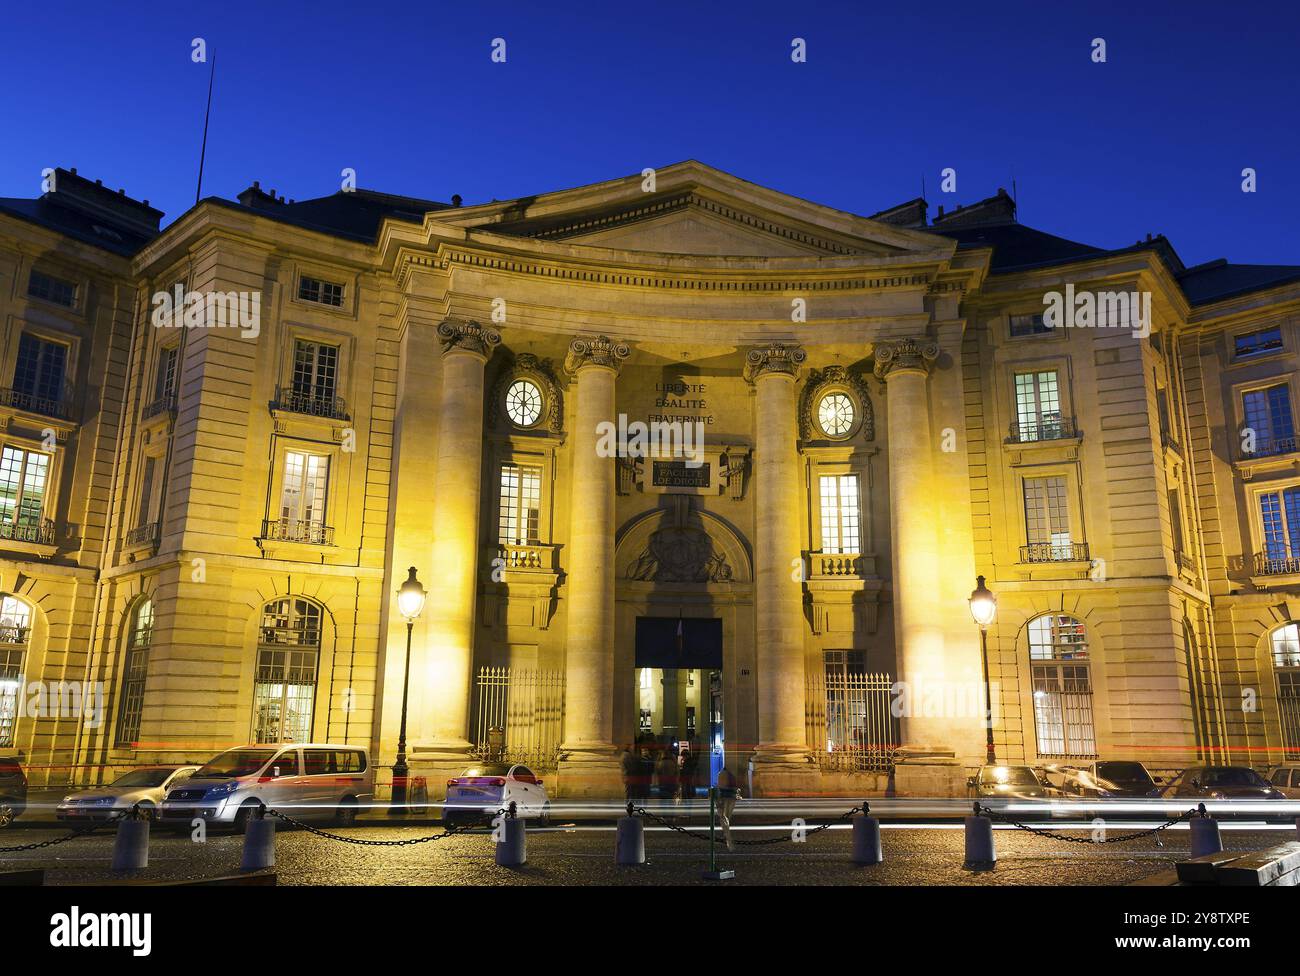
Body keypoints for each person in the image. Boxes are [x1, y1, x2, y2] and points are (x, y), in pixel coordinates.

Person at [715, 765, 740, 850]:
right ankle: (727, 836)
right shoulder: (731, 776)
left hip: (722, 798)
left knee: (723, 817)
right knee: (727, 816)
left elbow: (719, 787)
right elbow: (735, 788)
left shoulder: (720, 774)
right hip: (730, 798)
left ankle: (727, 835)